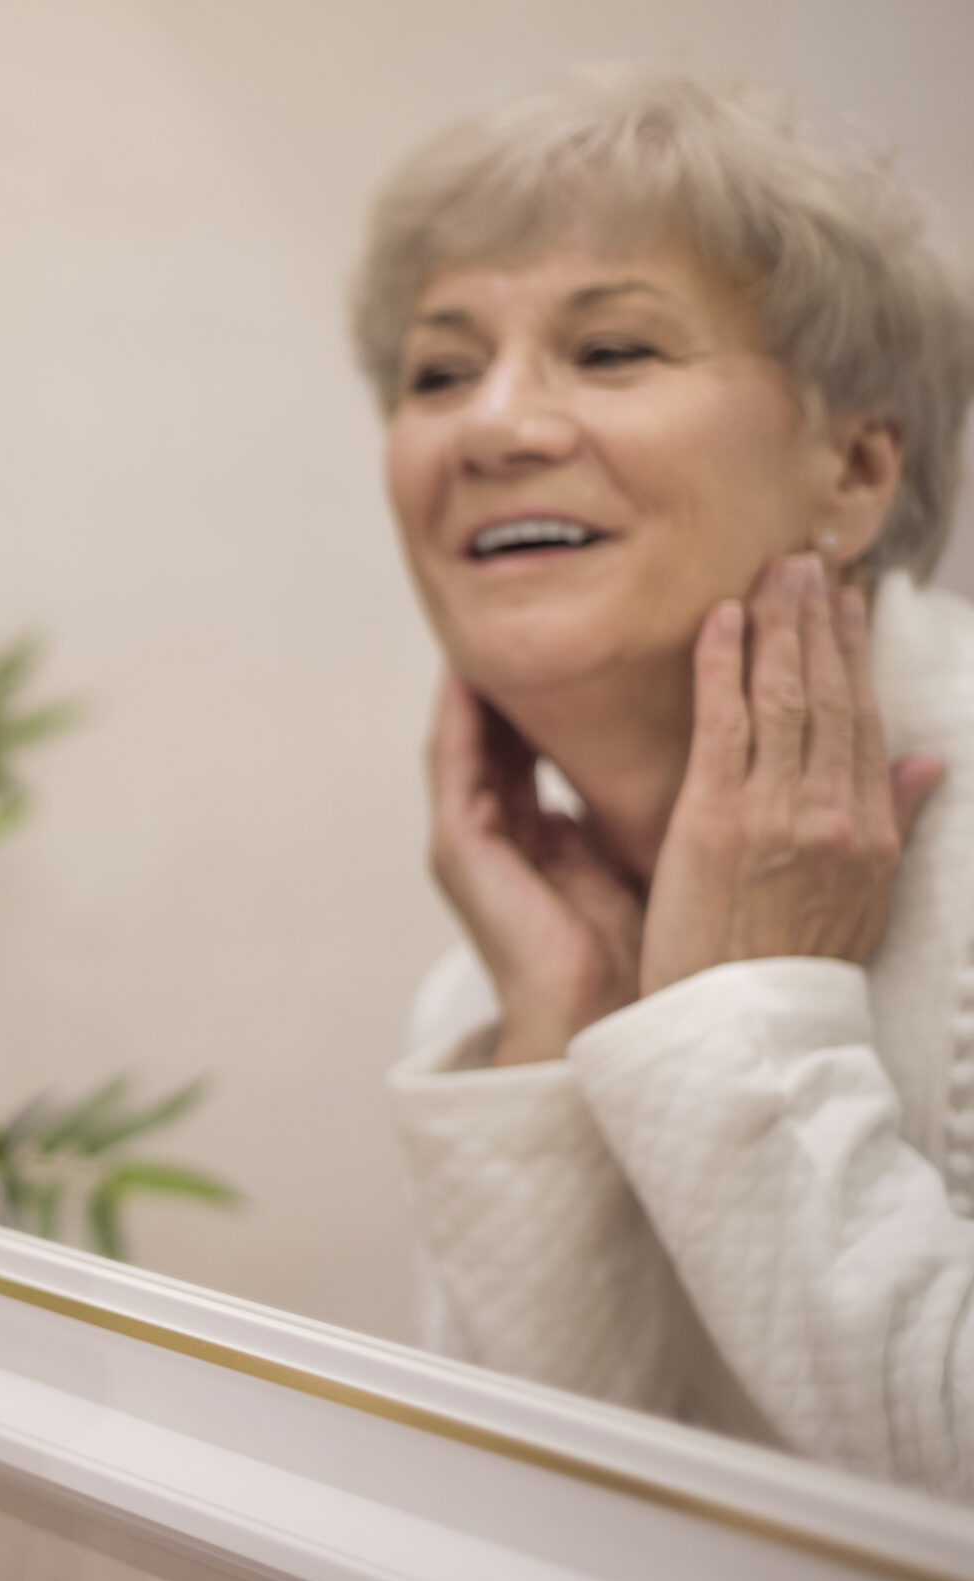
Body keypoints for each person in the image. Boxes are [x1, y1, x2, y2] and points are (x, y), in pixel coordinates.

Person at [362, 70, 974, 1499]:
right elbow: (537, 1545)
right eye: (440, 370)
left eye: (613, 349)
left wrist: (734, 1015)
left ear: (857, 465)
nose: (493, 427)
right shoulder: (494, 974)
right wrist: (557, 1024)